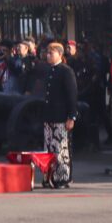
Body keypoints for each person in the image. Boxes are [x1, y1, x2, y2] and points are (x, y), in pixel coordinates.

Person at [42, 43, 78, 188]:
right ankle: (50, 177)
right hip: (49, 116)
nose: (48, 55)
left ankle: (63, 178)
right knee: (49, 149)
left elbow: (72, 94)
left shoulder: (65, 71)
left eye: (51, 53)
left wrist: (72, 116)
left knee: (61, 149)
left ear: (59, 54)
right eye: (47, 53)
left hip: (61, 117)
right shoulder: (49, 71)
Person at [70, 40, 112, 147]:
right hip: (87, 90)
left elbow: (95, 76)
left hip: (95, 91)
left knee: (98, 114)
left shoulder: (94, 59)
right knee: (92, 116)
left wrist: (85, 90)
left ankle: (101, 140)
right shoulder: (82, 59)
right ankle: (92, 141)